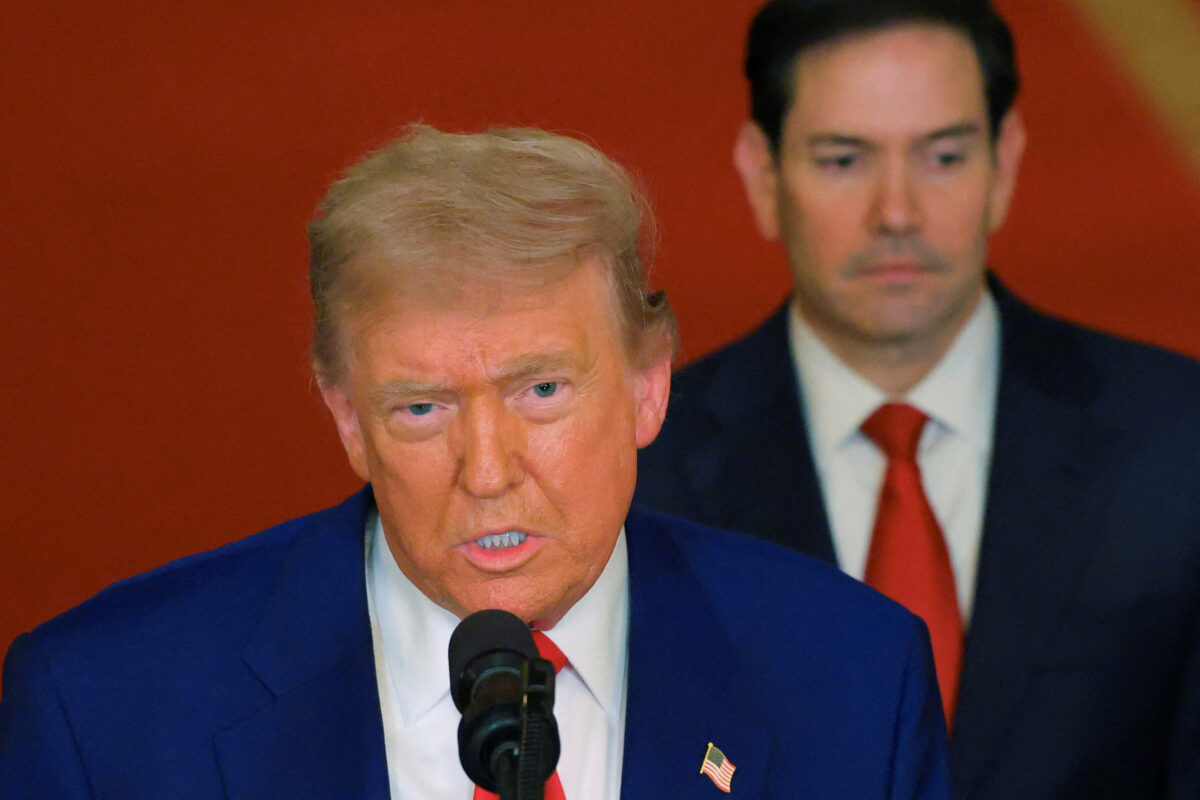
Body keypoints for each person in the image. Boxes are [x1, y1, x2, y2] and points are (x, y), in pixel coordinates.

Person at [0, 125, 949, 798]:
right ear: (347, 418)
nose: (487, 472)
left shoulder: (853, 682)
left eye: (542, 390)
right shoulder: (103, 715)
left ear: (649, 385)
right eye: (421, 408)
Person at [635, 1, 1200, 798]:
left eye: (943, 157)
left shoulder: (1178, 444)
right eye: (844, 160)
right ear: (763, 176)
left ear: (1004, 164)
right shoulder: (643, 464)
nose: (896, 213)